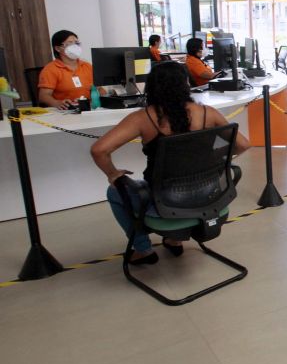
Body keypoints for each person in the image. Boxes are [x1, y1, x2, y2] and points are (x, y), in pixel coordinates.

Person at [90, 62, 251, 265]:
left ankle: (143, 249)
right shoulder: (207, 113)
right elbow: (243, 145)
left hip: (164, 204)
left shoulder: (143, 118)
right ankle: (174, 240)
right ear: (185, 84)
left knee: (114, 191)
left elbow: (99, 150)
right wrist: (218, 163)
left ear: (152, 87)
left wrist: (113, 174)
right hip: (212, 197)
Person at [38, 30, 95, 109]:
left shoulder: (87, 66)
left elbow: (99, 88)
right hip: (66, 111)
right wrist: (56, 103)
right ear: (58, 48)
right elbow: (43, 96)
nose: (75, 46)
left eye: (76, 43)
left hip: (88, 108)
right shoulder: (50, 69)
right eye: (70, 43)